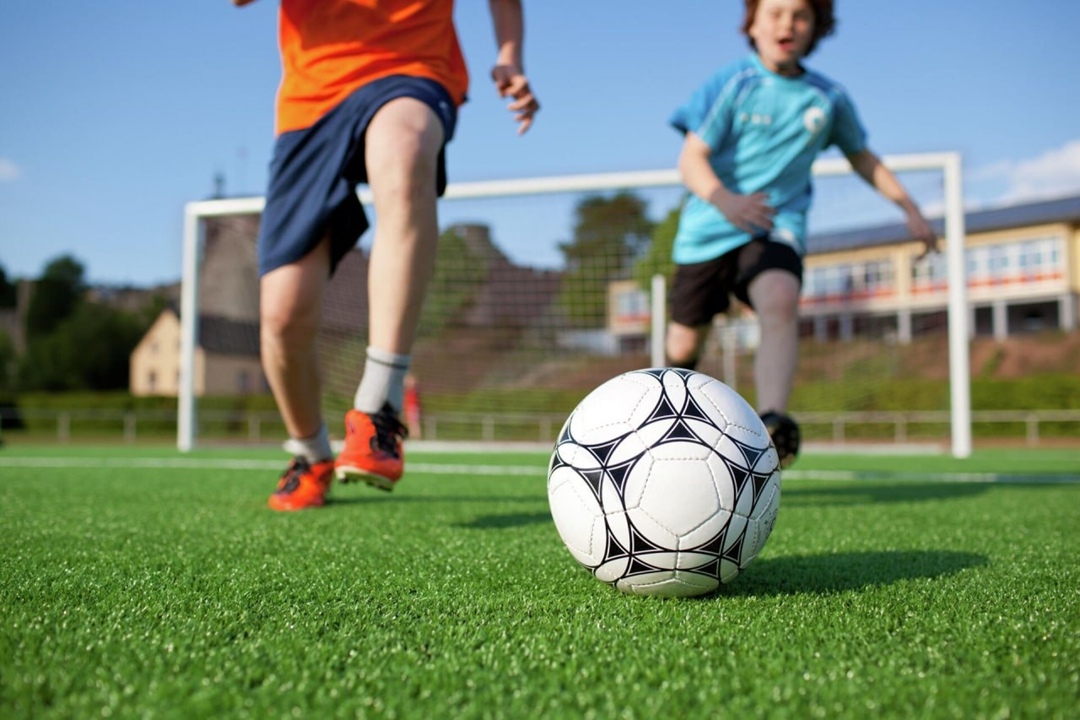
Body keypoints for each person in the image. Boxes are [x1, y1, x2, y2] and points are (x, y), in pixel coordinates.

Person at [232, 0, 540, 510]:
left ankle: (379, 407)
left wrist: (510, 53)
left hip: (412, 68)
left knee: (405, 146)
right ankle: (310, 454)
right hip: (312, 99)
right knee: (283, 316)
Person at [665, 0, 936, 468]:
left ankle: (770, 425)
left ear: (816, 27)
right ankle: (667, 426)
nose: (786, 23)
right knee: (683, 347)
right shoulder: (734, 83)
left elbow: (862, 157)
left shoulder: (827, 98)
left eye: (799, 14)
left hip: (776, 226)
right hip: (709, 229)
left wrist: (910, 207)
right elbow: (691, 160)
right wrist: (727, 200)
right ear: (752, 22)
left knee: (780, 297)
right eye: (775, 12)